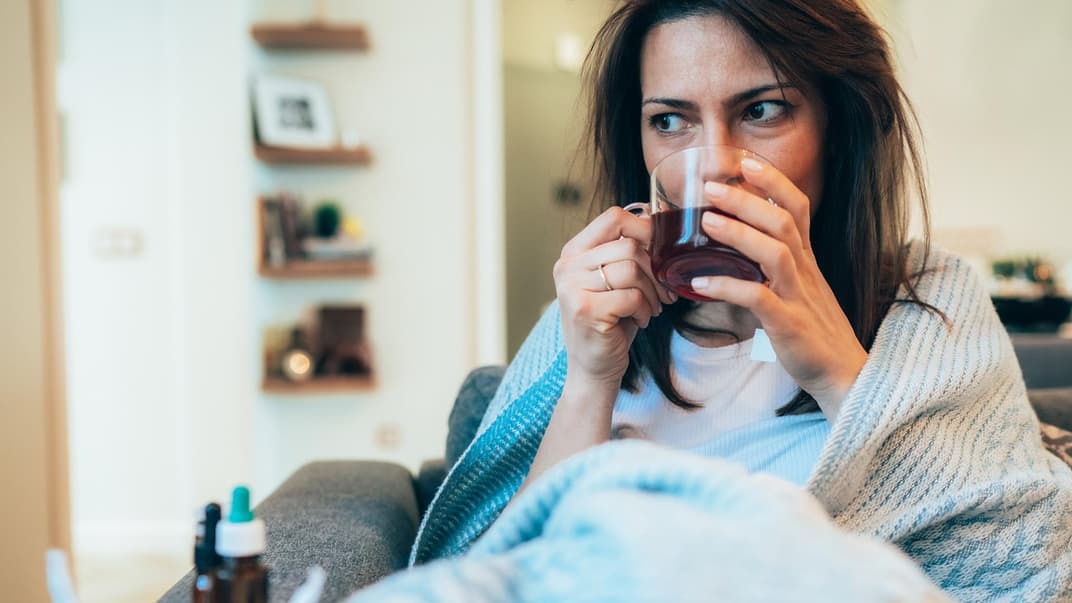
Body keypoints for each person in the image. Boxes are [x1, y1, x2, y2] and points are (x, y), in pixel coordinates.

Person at [408, 1, 1072, 600]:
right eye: (670, 120)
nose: (714, 166)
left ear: (837, 127)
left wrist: (841, 372)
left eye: (761, 110)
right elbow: (498, 576)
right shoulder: (585, 319)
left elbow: (1017, 568)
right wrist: (589, 378)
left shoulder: (930, 298)